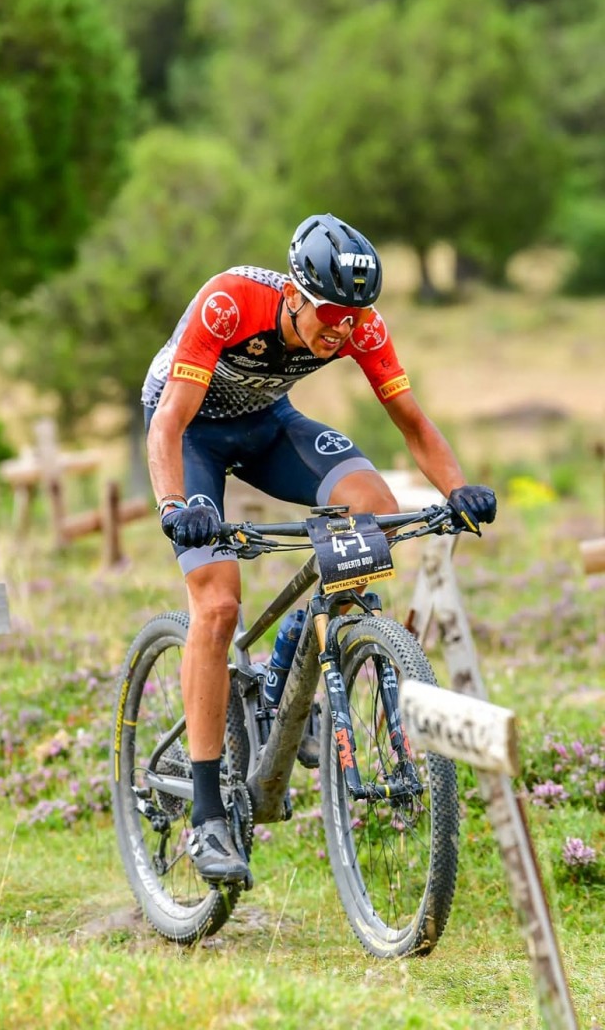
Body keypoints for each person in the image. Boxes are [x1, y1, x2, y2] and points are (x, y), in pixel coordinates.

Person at [142, 213, 496, 884]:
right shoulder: (231, 302)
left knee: (377, 513)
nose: (341, 331)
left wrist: (458, 490)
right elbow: (167, 423)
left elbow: (414, 424)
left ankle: (300, 648)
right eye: (328, 314)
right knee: (217, 607)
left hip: (269, 427)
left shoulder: (360, 324)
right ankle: (208, 814)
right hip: (189, 431)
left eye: (353, 317)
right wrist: (174, 507)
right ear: (294, 295)